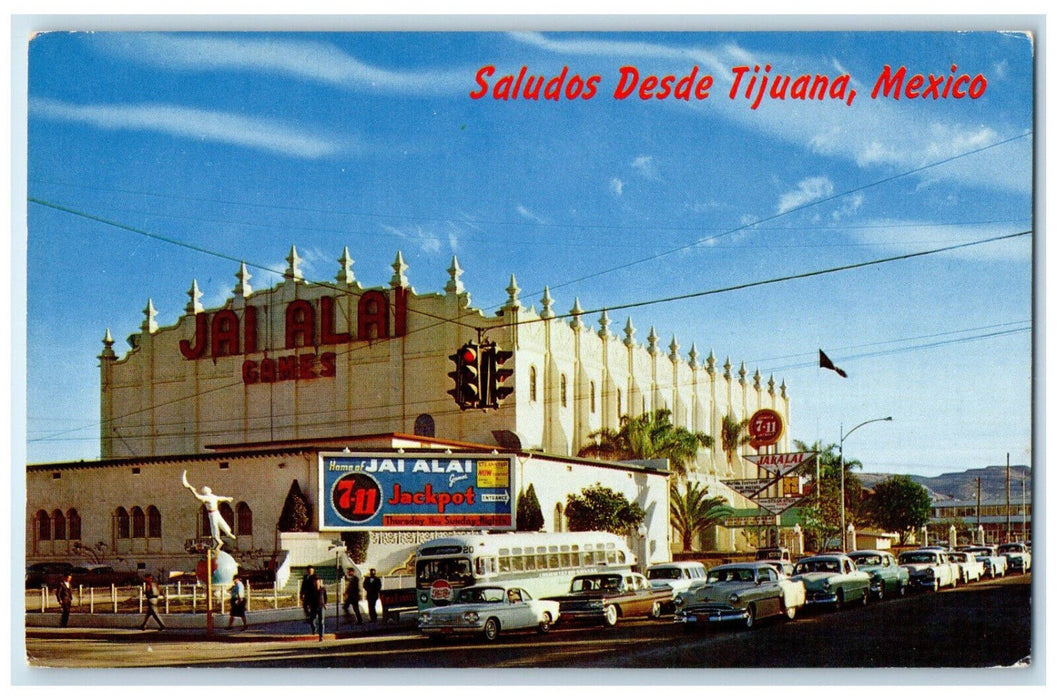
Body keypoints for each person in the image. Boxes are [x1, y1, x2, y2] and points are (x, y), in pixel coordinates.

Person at [182, 470, 235, 548]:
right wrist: (192, 491)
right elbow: (197, 497)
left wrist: (228, 499)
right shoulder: (206, 498)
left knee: (221, 523)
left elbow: (221, 498)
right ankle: (217, 539)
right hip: (212, 514)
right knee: (214, 526)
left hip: (216, 513)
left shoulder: (213, 497)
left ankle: (228, 533)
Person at [307, 577, 327, 641]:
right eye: (315, 582)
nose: (316, 583)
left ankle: (321, 636)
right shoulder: (311, 590)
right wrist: (309, 605)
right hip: (313, 607)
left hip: (321, 606)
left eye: (318, 581)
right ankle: (314, 629)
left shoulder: (322, 589)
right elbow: (309, 598)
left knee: (321, 621)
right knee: (312, 620)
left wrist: (325, 604)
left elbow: (325, 597)